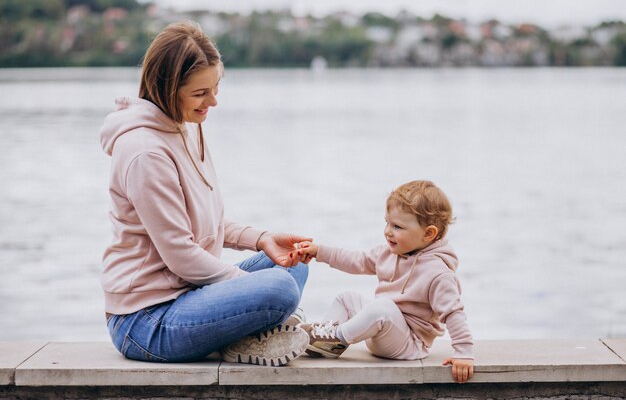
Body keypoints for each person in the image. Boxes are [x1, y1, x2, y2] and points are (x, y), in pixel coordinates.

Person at [99, 21, 311, 367]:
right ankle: (250, 332)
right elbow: (181, 254)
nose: (212, 101)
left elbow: (205, 223)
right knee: (280, 289)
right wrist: (256, 295)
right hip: (146, 320)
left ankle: (245, 332)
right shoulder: (145, 152)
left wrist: (262, 239)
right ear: (168, 89)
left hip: (188, 294)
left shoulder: (185, 125)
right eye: (200, 93)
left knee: (290, 264)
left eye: (215, 88)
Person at [292, 180, 475, 383]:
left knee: (382, 307)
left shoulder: (438, 273)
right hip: (381, 330)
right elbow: (357, 260)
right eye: (387, 222)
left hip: (409, 344)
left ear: (428, 233)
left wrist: (463, 354)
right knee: (347, 298)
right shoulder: (390, 253)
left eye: (397, 226)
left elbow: (453, 312)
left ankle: (335, 336)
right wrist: (319, 251)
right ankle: (325, 340)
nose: (388, 231)